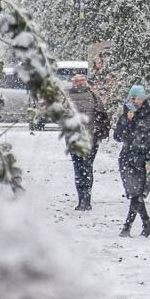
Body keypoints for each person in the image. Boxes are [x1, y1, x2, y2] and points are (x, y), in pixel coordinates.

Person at [113, 84, 150, 237]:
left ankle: (131, 227)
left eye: (137, 98)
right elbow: (117, 136)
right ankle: (142, 225)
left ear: (143, 100)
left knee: (137, 193)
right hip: (127, 158)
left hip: (146, 160)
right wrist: (128, 122)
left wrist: (145, 141)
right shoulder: (125, 117)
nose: (134, 101)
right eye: (132, 98)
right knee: (133, 192)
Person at [65, 73, 108, 211]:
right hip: (91, 139)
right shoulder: (94, 96)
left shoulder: (67, 97)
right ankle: (86, 200)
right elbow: (102, 114)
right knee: (87, 168)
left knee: (78, 169)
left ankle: (81, 200)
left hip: (74, 139)